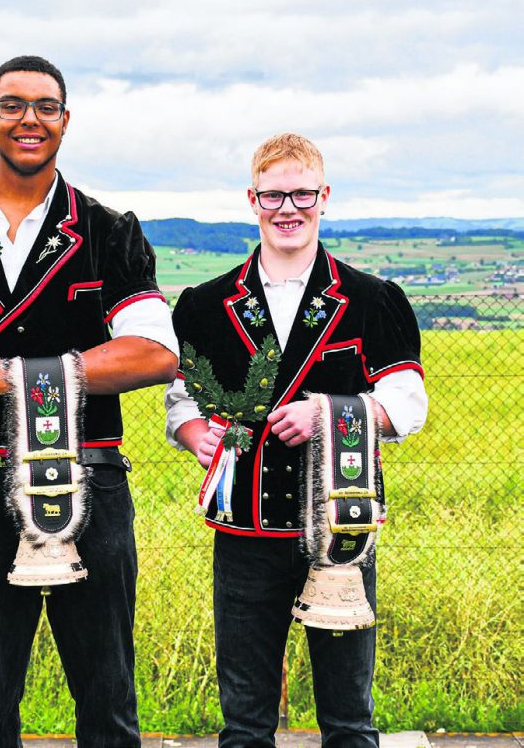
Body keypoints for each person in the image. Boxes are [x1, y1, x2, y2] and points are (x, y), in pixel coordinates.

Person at [0, 55, 178, 748]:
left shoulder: (110, 231)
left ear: (65, 121)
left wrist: (13, 374)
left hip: (92, 480)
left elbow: (155, 353)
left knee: (107, 699)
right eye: (13, 105)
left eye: (46, 106)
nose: (30, 119)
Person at [165, 133, 428, 748]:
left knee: (348, 721)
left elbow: (408, 405)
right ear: (251, 200)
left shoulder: (371, 300)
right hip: (244, 532)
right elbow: (181, 399)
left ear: (324, 196)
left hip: (339, 530)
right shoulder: (205, 305)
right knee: (246, 722)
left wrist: (327, 414)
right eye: (273, 195)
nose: (288, 208)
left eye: (301, 194)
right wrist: (194, 431)